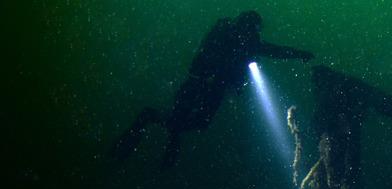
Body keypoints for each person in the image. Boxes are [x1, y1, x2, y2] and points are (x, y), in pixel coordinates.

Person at [110, 10, 313, 167]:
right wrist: (299, 54)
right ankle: (149, 122)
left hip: (200, 83)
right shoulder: (240, 40)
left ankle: (157, 139)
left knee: (184, 119)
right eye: (255, 30)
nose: (255, 34)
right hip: (207, 85)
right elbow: (274, 50)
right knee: (191, 121)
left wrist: (298, 53)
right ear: (250, 27)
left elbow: (272, 50)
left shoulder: (231, 35)